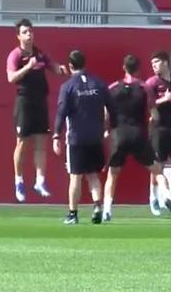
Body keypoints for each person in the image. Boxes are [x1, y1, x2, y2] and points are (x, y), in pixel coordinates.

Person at [103, 55, 171, 221]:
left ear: (124, 67)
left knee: (112, 175)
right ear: (138, 69)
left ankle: (107, 209)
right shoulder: (145, 88)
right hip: (138, 134)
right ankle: (166, 197)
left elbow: (106, 114)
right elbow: (154, 115)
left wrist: (106, 130)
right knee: (157, 171)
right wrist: (151, 123)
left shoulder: (113, 88)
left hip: (119, 134)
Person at [7, 19, 67, 202]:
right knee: (22, 144)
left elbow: (54, 67)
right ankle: (19, 181)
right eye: (25, 32)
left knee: (41, 142)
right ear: (18, 36)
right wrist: (27, 67)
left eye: (31, 31)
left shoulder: (40, 53)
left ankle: (39, 181)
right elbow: (11, 78)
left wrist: (61, 69)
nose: (29, 34)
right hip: (24, 102)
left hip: (40, 101)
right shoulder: (15, 55)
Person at [53, 50, 109, 225]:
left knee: (75, 176)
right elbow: (111, 106)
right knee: (92, 175)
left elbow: (62, 112)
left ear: (70, 66)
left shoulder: (68, 87)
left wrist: (56, 134)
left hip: (76, 138)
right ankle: (98, 207)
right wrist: (108, 128)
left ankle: (73, 214)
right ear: (85, 63)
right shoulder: (99, 83)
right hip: (95, 137)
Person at [144, 51, 171, 216]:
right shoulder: (151, 83)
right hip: (158, 130)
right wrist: (163, 99)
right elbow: (148, 105)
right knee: (158, 167)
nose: (154, 66)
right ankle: (153, 198)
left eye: (156, 62)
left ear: (165, 62)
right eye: (152, 63)